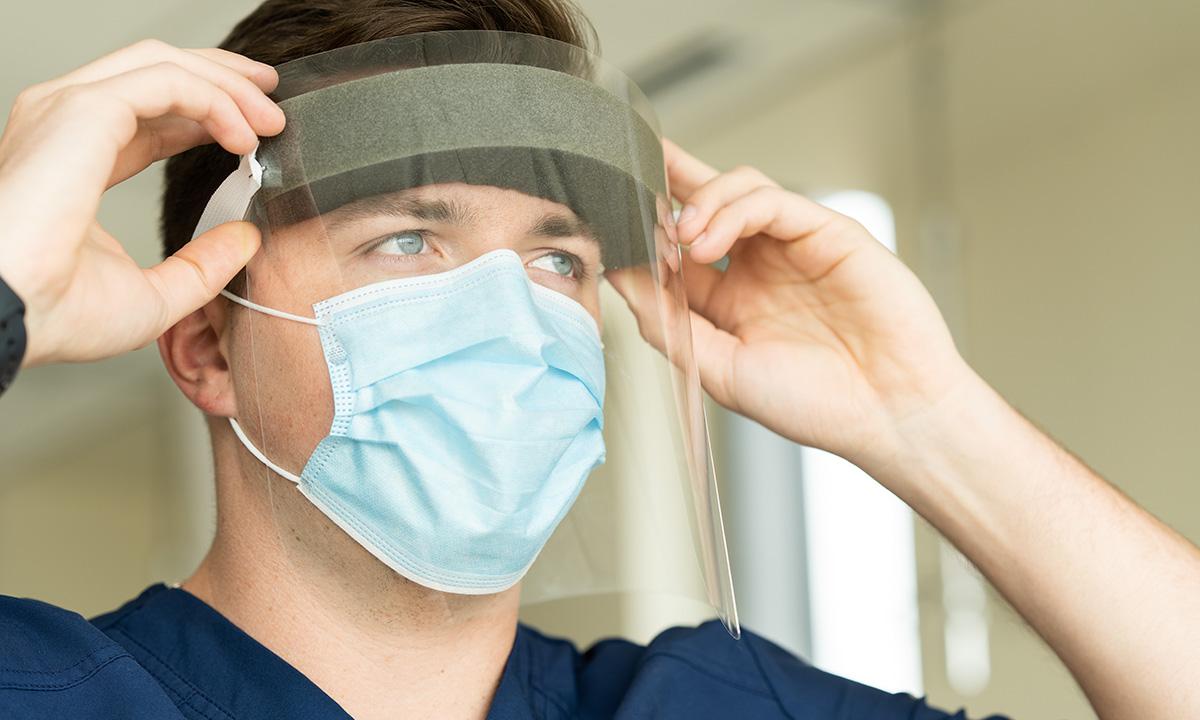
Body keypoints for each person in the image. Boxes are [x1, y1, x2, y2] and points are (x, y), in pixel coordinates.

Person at [0, 1, 1196, 719]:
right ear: (208, 344)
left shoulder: (700, 706)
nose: (507, 315)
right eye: (411, 238)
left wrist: (921, 415)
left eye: (557, 261)